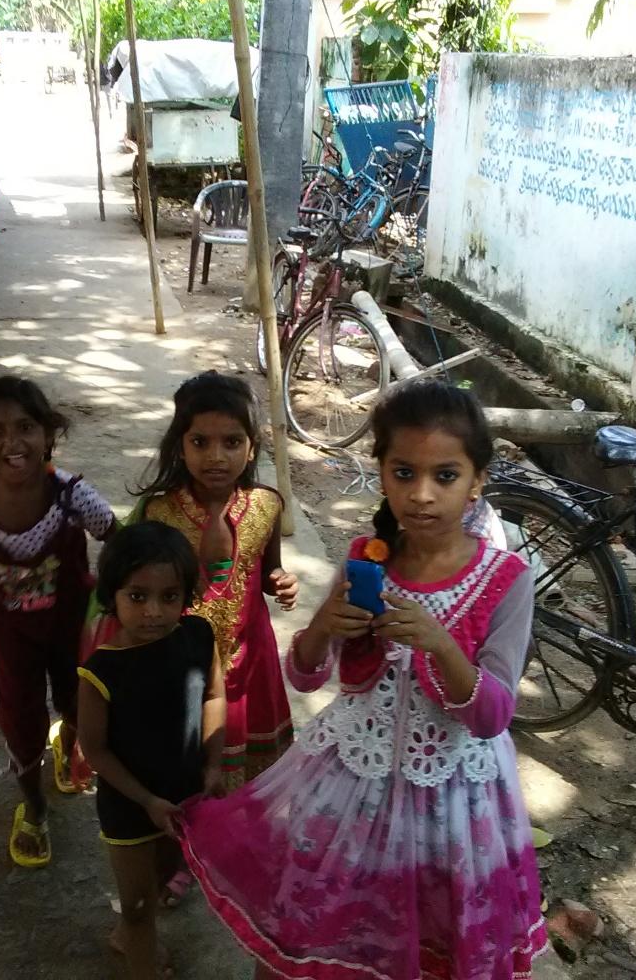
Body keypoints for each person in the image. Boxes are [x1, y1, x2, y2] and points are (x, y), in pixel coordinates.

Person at [181, 380, 549, 980]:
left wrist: (439, 644)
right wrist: (325, 624)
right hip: (352, 778)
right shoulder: (367, 557)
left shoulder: (506, 578)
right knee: (306, 927)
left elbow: (493, 716)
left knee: (429, 941)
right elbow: (303, 675)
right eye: (403, 472)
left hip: (452, 803)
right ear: (380, 471)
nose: (422, 495)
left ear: (478, 480)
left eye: (446, 476)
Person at [0, 376, 117, 868]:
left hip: (72, 627)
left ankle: (70, 742)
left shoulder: (73, 496)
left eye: (25, 427)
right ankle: (34, 804)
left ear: (49, 434)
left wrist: (113, 603)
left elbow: (116, 535)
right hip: (12, 639)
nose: (12, 443)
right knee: (19, 714)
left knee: (77, 697)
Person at [131, 371, 297, 792]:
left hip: (252, 659)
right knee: (191, 773)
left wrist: (279, 581)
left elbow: (264, 571)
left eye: (232, 442)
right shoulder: (160, 515)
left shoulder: (266, 506)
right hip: (187, 665)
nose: (216, 456)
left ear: (251, 447)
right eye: (200, 442)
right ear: (180, 448)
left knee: (250, 789)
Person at [77, 522, 226, 980]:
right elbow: (96, 750)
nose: (154, 612)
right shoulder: (101, 670)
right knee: (140, 905)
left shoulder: (198, 637)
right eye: (137, 596)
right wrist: (146, 801)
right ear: (112, 594)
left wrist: (215, 763)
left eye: (169, 596)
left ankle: (128, 933)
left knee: (162, 879)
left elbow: (215, 696)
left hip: (184, 798)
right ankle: (137, 941)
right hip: (129, 806)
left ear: (186, 595)